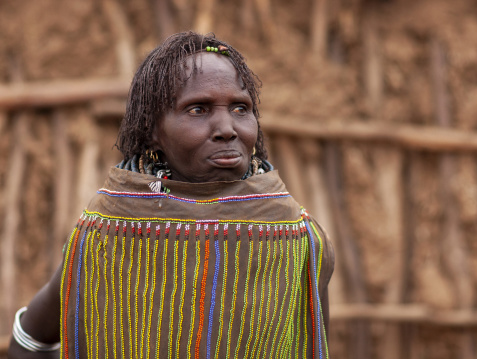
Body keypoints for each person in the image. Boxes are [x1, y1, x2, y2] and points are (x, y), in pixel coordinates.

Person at [8, 31, 334, 359]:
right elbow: (31, 337)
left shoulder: (296, 236)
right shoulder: (107, 233)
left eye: (240, 108)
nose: (227, 128)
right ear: (153, 131)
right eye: (198, 109)